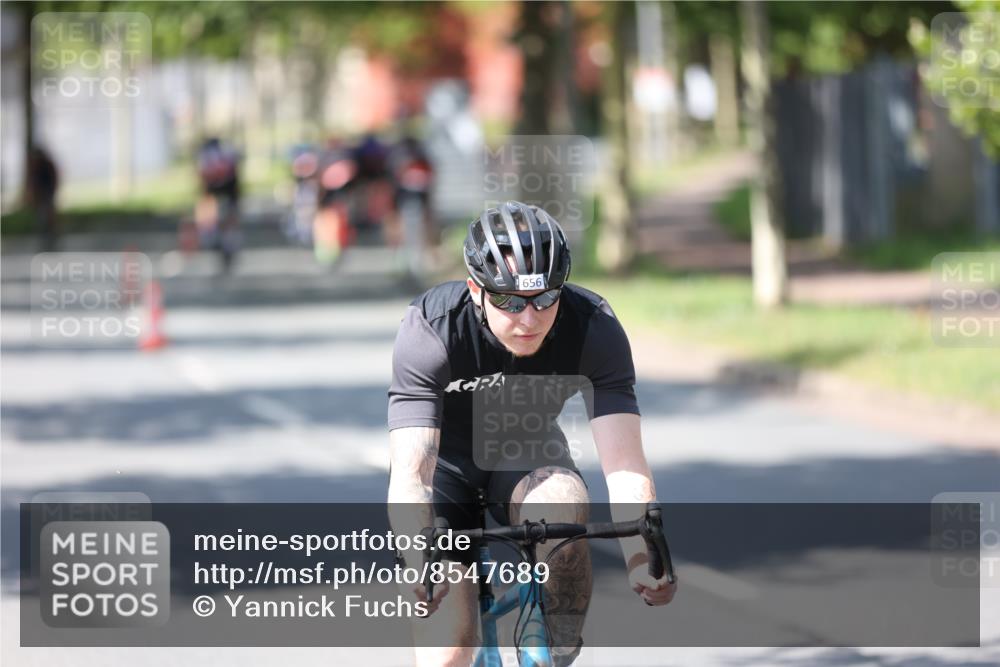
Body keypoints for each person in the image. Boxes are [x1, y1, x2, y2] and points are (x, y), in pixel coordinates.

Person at [387, 201, 677, 667]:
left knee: (562, 501)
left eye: (544, 298)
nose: (528, 318)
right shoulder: (433, 330)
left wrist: (641, 557)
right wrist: (420, 555)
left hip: (527, 455)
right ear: (474, 290)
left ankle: (558, 650)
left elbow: (624, 466)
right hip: (446, 471)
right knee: (449, 653)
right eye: (508, 300)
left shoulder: (592, 328)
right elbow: (411, 473)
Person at [195, 137, 241, 272]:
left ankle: (222, 242)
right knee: (223, 222)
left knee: (225, 222)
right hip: (222, 193)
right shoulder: (225, 154)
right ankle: (220, 241)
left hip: (222, 192)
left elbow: (202, 177)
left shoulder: (208, 156)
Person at [27, 146, 60, 252]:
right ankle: (45, 231)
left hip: (47, 193)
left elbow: (53, 178)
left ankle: (50, 231)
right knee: (43, 213)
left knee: (48, 212)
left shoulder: (45, 165)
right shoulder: (37, 166)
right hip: (42, 194)